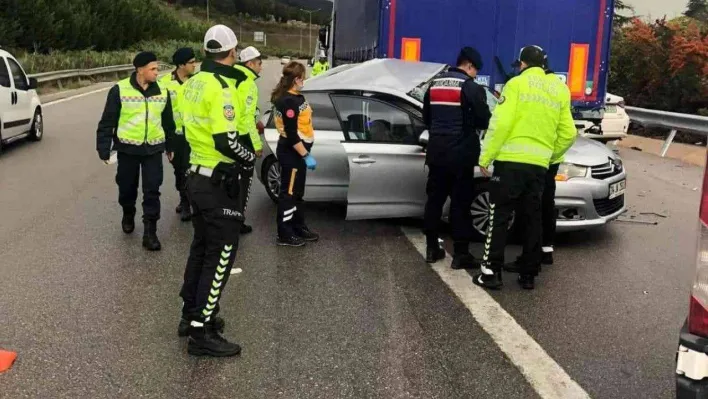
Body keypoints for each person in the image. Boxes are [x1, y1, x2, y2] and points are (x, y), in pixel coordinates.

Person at [177, 24, 254, 357]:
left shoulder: (192, 83)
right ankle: (201, 331)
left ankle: (190, 314)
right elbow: (227, 140)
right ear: (232, 52)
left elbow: (185, 128)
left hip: (195, 174)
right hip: (216, 181)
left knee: (201, 247)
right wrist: (249, 158)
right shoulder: (221, 88)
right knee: (221, 255)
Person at [474, 45, 577, 290]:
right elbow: (569, 133)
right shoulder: (560, 90)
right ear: (543, 64)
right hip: (538, 168)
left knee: (498, 216)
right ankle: (528, 274)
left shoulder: (516, 84)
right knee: (533, 219)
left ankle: (490, 273)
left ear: (522, 64)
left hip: (509, 164)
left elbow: (501, 123)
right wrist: (550, 157)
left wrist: (485, 157)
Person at [96, 51, 175, 251]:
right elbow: (107, 122)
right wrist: (103, 148)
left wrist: (170, 146)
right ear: (140, 70)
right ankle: (128, 212)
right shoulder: (119, 90)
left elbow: (168, 123)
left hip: (153, 150)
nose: (157, 72)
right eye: (153, 69)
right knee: (127, 188)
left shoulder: (162, 91)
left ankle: (150, 232)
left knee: (152, 191)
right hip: (127, 150)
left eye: (157, 68)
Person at [422, 47, 491, 269]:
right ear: (469, 65)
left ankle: (432, 248)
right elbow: (484, 120)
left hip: (437, 153)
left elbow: (426, 118)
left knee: (434, 201)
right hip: (461, 156)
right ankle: (461, 254)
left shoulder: (434, 85)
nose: (475, 74)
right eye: (475, 70)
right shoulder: (470, 88)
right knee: (460, 204)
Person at [272, 61, 319, 247]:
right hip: (292, 153)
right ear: (296, 79)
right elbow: (291, 134)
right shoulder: (288, 101)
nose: (304, 80)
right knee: (288, 195)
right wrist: (305, 155)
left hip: (298, 154)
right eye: (302, 77)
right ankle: (285, 233)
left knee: (297, 193)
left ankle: (298, 227)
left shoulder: (295, 97)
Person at [160, 47, 197, 222]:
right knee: (179, 170)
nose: (195, 65)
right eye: (191, 62)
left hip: (195, 134)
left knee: (193, 170)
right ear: (181, 65)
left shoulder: (198, 81)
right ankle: (184, 201)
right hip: (176, 136)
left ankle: (190, 201)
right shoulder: (165, 82)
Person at [233, 46, 264, 235]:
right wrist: (257, 145)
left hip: (227, 136)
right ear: (250, 64)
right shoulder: (248, 83)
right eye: (259, 63)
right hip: (243, 138)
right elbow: (247, 118)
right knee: (244, 182)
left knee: (229, 182)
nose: (261, 67)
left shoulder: (231, 77)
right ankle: (238, 220)